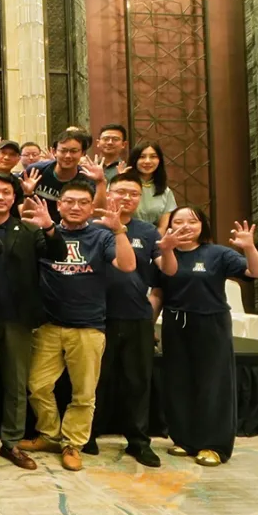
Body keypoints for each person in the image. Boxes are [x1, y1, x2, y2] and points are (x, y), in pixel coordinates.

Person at [19, 181, 136, 472]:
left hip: (88, 326)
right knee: (37, 386)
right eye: (69, 201)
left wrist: (119, 230)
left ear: (90, 206)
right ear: (59, 205)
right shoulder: (44, 232)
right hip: (48, 325)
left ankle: (73, 444)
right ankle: (49, 434)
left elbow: (128, 265)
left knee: (83, 393)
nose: (75, 207)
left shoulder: (101, 235)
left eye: (83, 202)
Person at [155, 206, 258, 466]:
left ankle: (214, 445)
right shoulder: (163, 253)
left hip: (211, 323)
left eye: (192, 222)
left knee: (213, 384)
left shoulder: (217, 253)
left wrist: (249, 248)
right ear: (169, 226)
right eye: (178, 221)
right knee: (179, 382)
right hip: (175, 324)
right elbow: (162, 286)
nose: (185, 226)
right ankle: (185, 439)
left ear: (202, 226)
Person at [0, 174, 66, 470]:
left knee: (16, 383)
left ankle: (11, 443)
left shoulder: (27, 229)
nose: (0, 197)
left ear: (14, 198)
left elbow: (57, 253)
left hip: (18, 318)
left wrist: (50, 226)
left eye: (6, 193)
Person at [84, 172, 162, 467]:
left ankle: (139, 442)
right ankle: (88, 435)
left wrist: (151, 318)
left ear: (139, 198)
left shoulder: (148, 232)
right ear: (108, 194)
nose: (125, 198)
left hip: (136, 317)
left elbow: (159, 282)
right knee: (94, 381)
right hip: (97, 318)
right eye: (120, 192)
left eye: (133, 193)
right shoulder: (92, 227)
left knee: (137, 381)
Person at [23, 129, 106, 223]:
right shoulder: (35, 171)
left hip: (72, 230)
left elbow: (98, 213)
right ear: (54, 152)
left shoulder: (88, 178)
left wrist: (100, 182)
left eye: (73, 151)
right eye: (63, 151)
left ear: (82, 153)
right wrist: (28, 194)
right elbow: (24, 216)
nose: (68, 156)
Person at [126, 141, 176, 232]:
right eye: (142, 157)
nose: (147, 161)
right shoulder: (121, 184)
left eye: (153, 157)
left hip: (152, 239)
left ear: (159, 160)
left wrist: (154, 244)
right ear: (134, 160)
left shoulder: (165, 191)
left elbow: (163, 227)